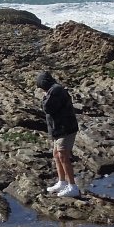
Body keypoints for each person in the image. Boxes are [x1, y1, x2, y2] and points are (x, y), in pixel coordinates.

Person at [35, 70, 80, 198]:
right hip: (59, 129)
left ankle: (72, 187)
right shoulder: (54, 89)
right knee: (56, 154)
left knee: (63, 156)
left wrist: (44, 98)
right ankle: (62, 182)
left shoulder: (55, 91)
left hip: (65, 128)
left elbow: (47, 108)